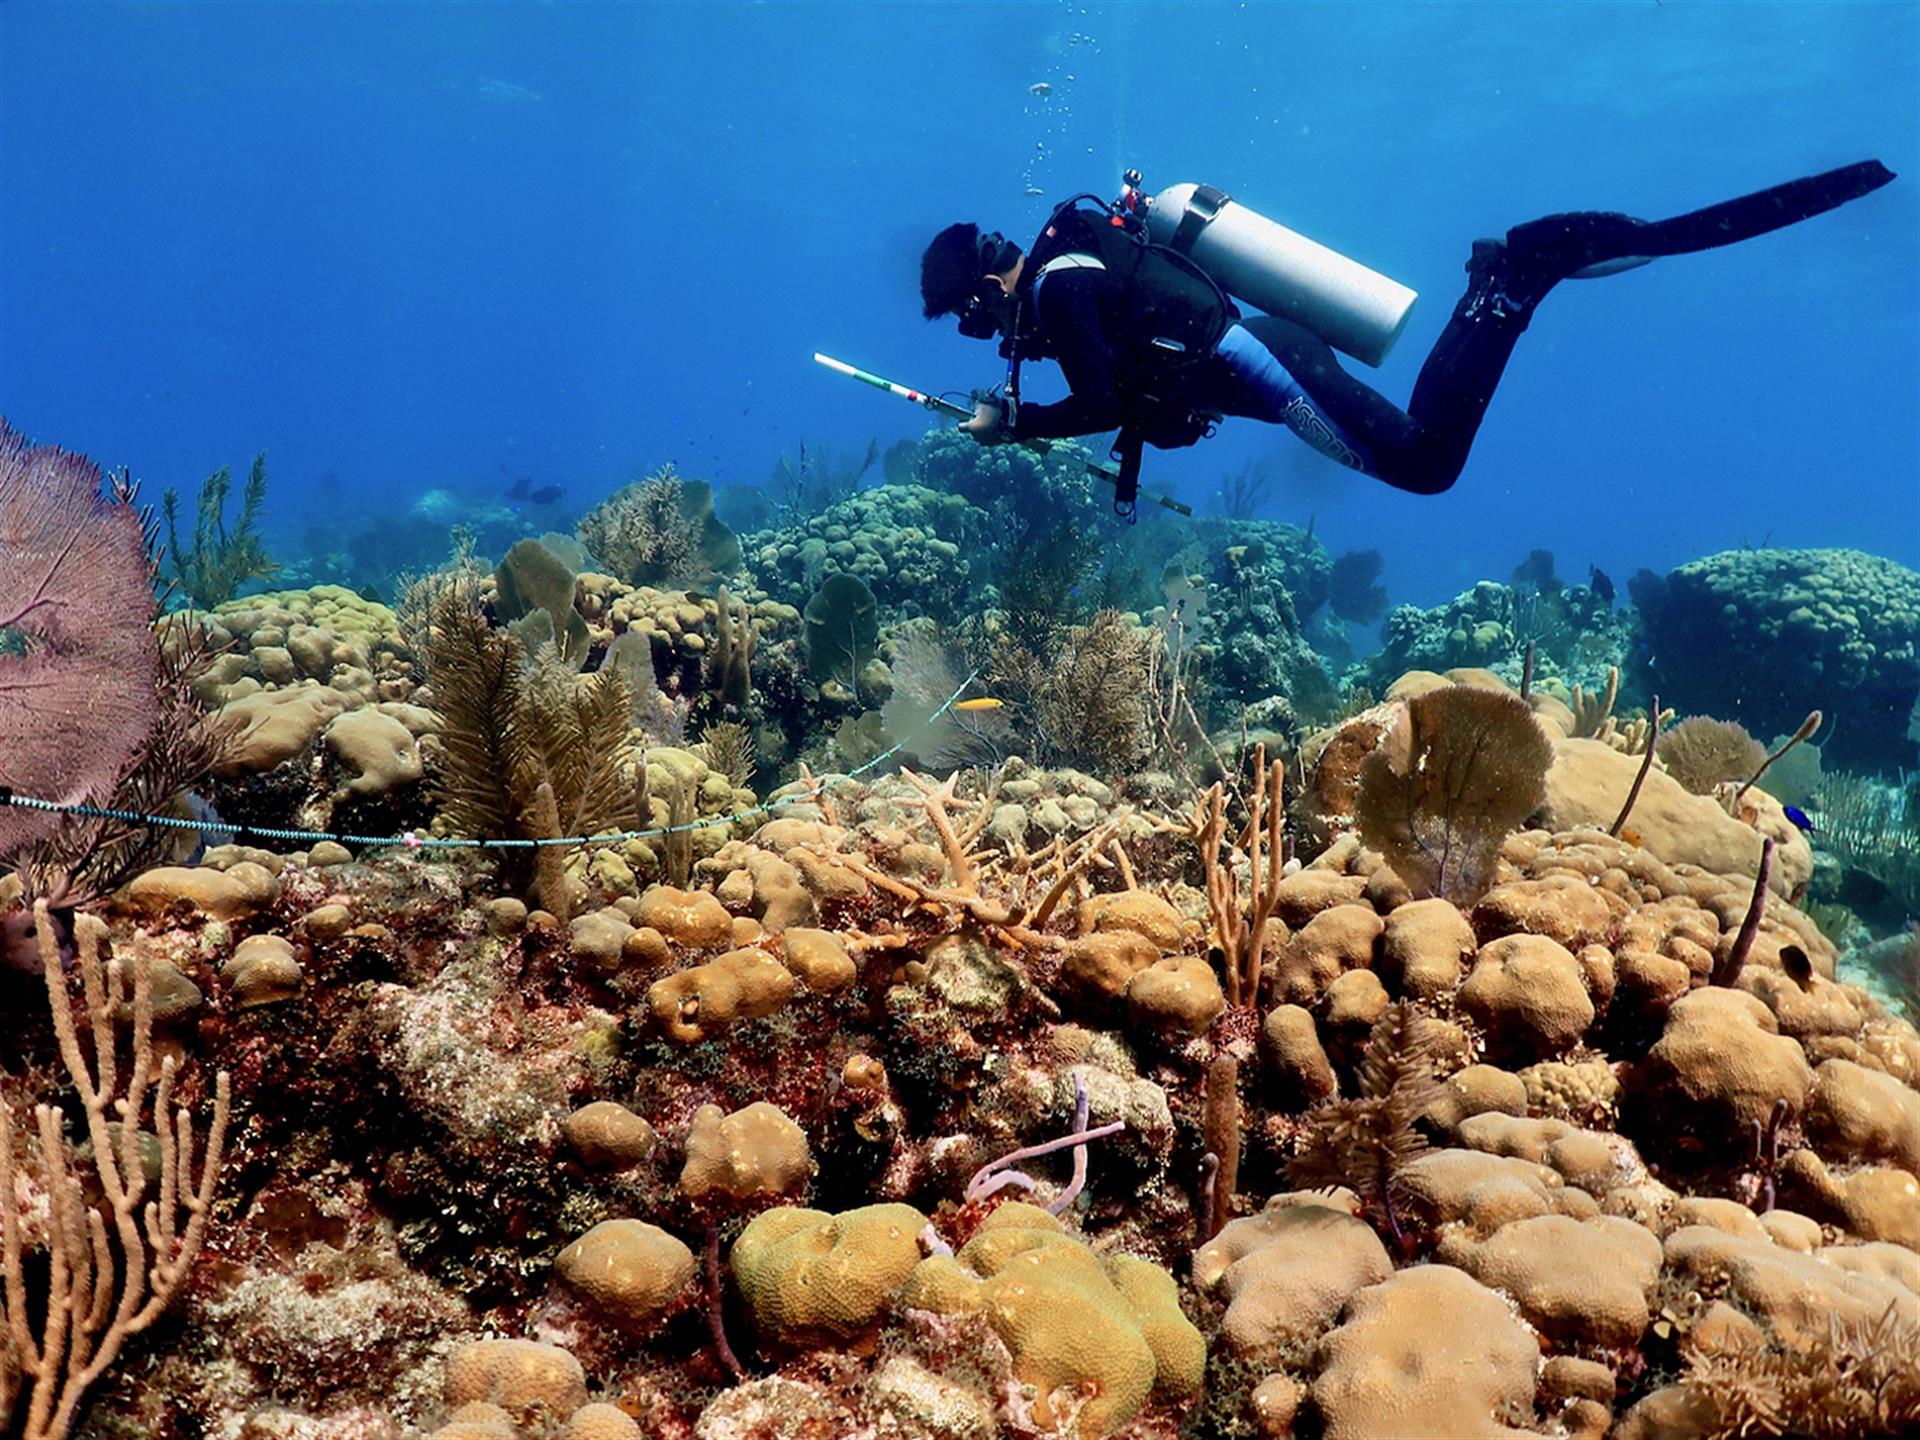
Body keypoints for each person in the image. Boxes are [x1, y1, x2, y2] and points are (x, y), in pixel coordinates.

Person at [920, 161, 1895, 500]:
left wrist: (1017, 429)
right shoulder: (1078, 268)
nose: (978, 332)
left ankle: (1510, 281)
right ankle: (1505, 285)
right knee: (1424, 458)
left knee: (1427, 463)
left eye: (968, 315)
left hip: (1264, 365)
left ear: (984, 284)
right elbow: (1139, 389)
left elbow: (1095, 399)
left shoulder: (1056, 289)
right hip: (1262, 355)